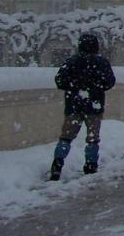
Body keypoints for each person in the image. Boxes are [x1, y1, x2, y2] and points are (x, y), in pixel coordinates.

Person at [48, 33, 116, 181]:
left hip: (74, 105)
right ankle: (90, 164)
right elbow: (110, 82)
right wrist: (95, 87)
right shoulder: (101, 62)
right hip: (94, 105)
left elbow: (59, 80)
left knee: (66, 137)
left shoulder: (71, 62)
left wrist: (74, 87)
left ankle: (57, 164)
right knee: (92, 138)